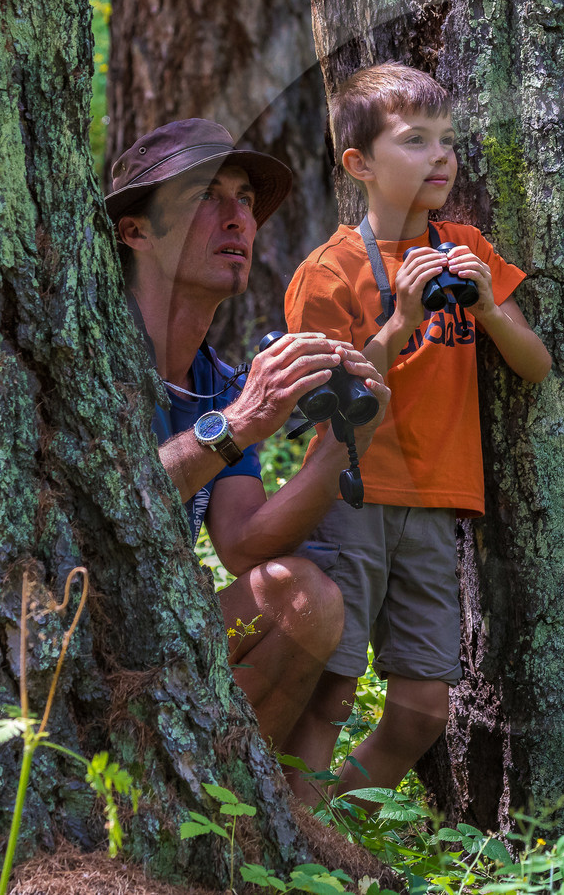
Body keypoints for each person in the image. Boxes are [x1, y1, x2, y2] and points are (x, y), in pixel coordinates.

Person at [279, 64, 551, 805]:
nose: (441, 157)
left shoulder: (467, 245)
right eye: (416, 140)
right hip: (353, 498)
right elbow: (333, 399)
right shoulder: (329, 272)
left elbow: (535, 366)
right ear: (359, 164)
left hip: (437, 502)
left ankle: (321, 824)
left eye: (448, 141)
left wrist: (491, 309)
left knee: (424, 710)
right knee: (331, 691)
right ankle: (298, 847)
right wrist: (398, 322)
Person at [105, 117, 391, 747]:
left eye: (245, 200)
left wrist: (338, 452)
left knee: (304, 598)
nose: (237, 219)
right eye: (206, 196)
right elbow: (103, 507)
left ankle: (242, 818)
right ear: (136, 231)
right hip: (69, 633)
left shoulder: (220, 384)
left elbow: (241, 544)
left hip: (159, 626)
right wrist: (236, 425)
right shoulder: (95, 354)